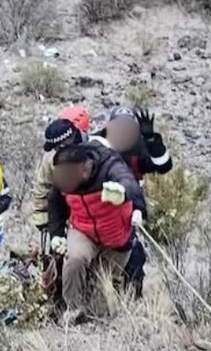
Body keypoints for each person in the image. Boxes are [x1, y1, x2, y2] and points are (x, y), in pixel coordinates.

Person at [47, 142, 146, 325]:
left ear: (84, 169)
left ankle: (102, 316)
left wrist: (124, 193)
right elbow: (54, 202)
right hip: (83, 229)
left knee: (105, 284)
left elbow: (130, 183)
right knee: (75, 259)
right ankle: (73, 309)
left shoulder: (110, 165)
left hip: (117, 235)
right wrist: (56, 234)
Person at [95, 106, 171, 298]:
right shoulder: (97, 143)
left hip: (130, 209)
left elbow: (163, 166)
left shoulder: (138, 147)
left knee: (135, 255)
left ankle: (131, 299)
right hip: (99, 209)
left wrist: (152, 140)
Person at [29, 108, 105, 231]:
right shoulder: (51, 158)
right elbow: (44, 186)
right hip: (69, 212)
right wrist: (42, 218)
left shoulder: (100, 149)